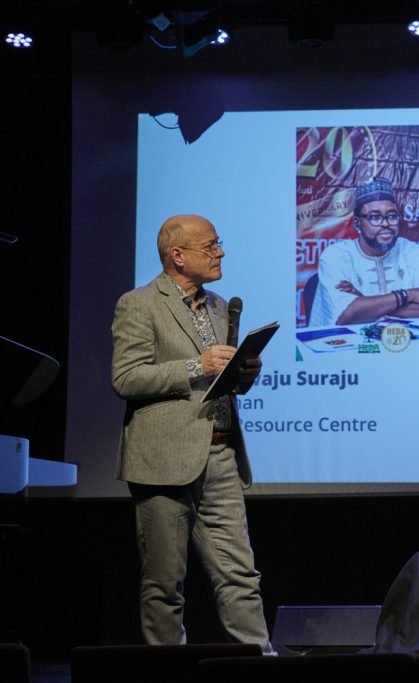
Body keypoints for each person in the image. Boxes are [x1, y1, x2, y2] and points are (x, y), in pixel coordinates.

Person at [111, 214, 272, 652]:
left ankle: (259, 659)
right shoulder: (139, 303)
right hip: (163, 460)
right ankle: (166, 671)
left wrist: (245, 372)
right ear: (177, 256)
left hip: (221, 455)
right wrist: (195, 366)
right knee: (165, 583)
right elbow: (126, 378)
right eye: (211, 246)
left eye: (219, 244)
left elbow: (225, 381)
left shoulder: (220, 305)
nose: (220, 252)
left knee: (240, 575)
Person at [308, 177, 419, 325]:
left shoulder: (412, 252)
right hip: (343, 344)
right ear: (357, 223)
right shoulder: (336, 256)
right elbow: (345, 315)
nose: (385, 223)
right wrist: (409, 295)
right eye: (375, 217)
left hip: (405, 341)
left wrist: (366, 303)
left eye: (392, 216)